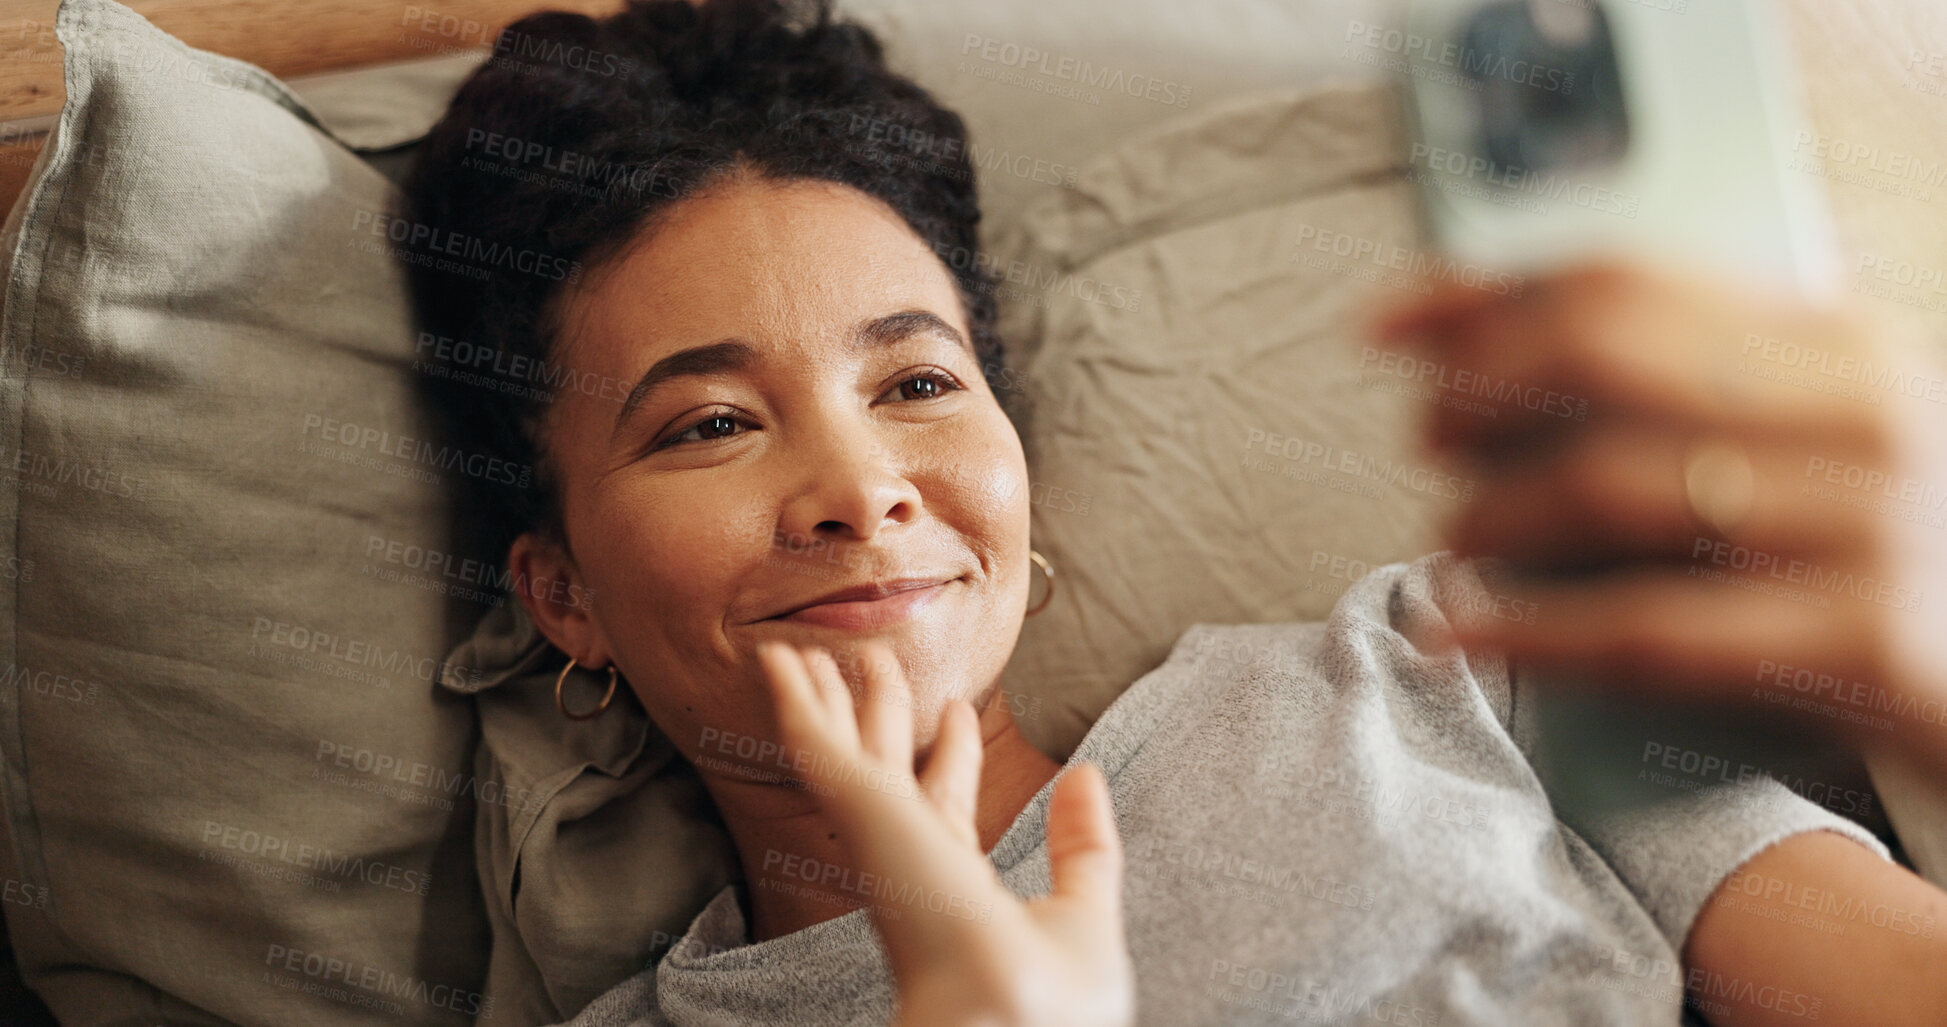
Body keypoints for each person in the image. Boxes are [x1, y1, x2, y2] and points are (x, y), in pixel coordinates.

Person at [399, 0, 1947, 1023]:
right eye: (714, 422)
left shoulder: (1457, 668)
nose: (860, 490)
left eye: (919, 386)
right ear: (563, 596)